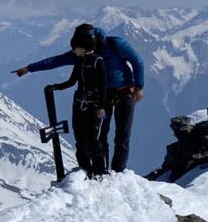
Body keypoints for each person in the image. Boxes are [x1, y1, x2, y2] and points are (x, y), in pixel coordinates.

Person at [13, 23, 145, 176]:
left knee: (117, 134)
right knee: (108, 134)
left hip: (123, 93)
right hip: (106, 95)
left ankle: (117, 172)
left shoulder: (115, 43)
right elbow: (57, 60)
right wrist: (29, 68)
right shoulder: (86, 51)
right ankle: (106, 171)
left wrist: (139, 86)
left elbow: (137, 60)